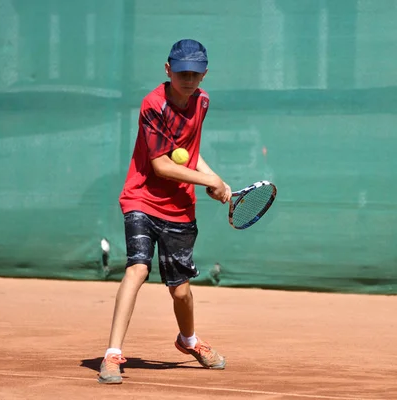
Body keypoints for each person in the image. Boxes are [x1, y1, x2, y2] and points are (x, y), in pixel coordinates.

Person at [98, 39, 232, 384]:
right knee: (138, 269)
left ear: (204, 74)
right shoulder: (152, 105)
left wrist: (214, 179)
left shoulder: (201, 102)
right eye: (182, 72)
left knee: (181, 290)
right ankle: (112, 354)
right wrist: (209, 180)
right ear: (168, 69)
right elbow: (161, 165)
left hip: (179, 208)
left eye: (196, 73)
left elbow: (187, 152)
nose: (189, 79)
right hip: (141, 198)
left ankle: (188, 341)